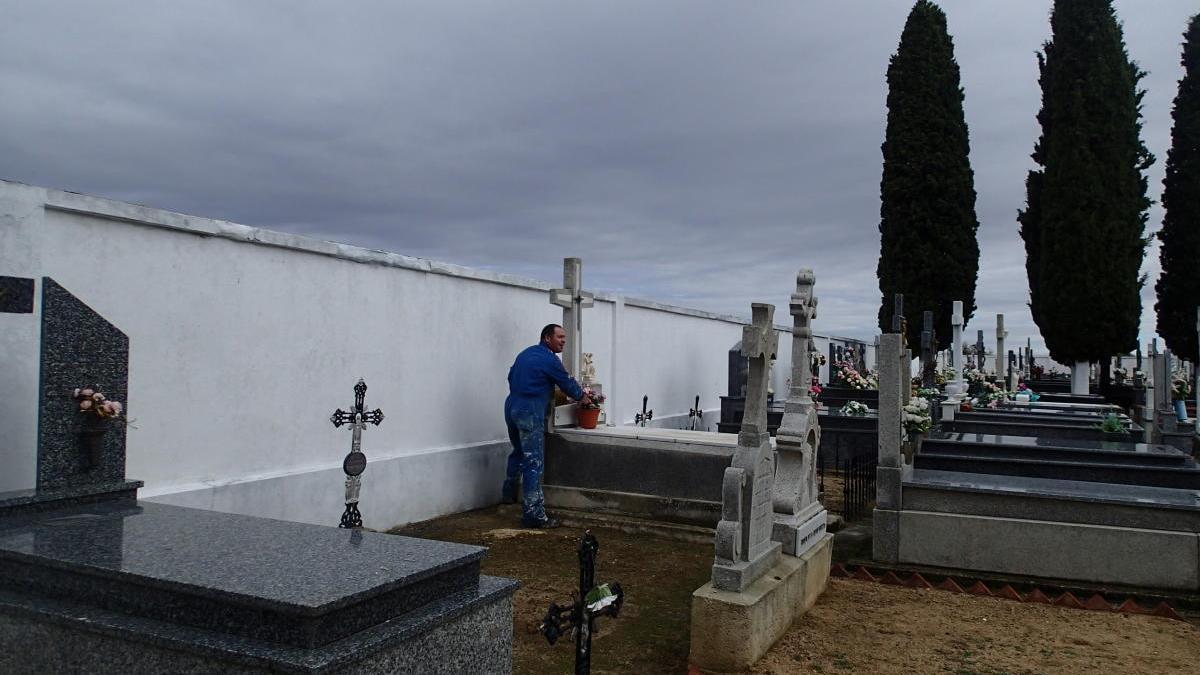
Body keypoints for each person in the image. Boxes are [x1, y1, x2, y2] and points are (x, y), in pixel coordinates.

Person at [502, 323, 591, 528]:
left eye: (564, 338)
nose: (563, 341)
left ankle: (508, 495)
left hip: (511, 405)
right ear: (546, 338)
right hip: (529, 410)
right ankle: (534, 515)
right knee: (533, 461)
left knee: (518, 451)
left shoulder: (525, 354)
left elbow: (511, 377)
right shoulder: (549, 360)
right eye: (559, 337)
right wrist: (583, 398)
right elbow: (567, 383)